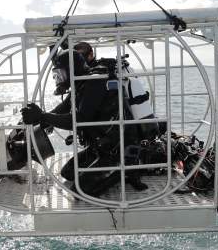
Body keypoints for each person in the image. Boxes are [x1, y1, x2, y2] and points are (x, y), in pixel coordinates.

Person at [21, 49, 154, 197]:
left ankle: (128, 169)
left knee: (81, 190)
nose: (58, 79)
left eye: (61, 74)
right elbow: (62, 108)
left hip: (119, 149)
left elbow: (79, 119)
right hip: (102, 147)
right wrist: (38, 120)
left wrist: (43, 116)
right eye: (56, 75)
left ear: (72, 69)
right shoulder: (80, 84)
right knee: (68, 173)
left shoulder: (96, 81)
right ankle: (111, 169)